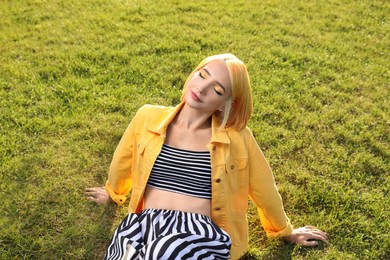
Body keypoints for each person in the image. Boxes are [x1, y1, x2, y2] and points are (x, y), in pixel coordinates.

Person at [85, 53, 328, 259]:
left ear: (224, 104)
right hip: (142, 225)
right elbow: (123, 159)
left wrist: (286, 231)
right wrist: (112, 192)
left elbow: (264, 187)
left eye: (217, 89)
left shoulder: (237, 138)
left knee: (165, 250)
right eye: (202, 75)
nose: (201, 88)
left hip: (198, 233)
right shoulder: (147, 117)